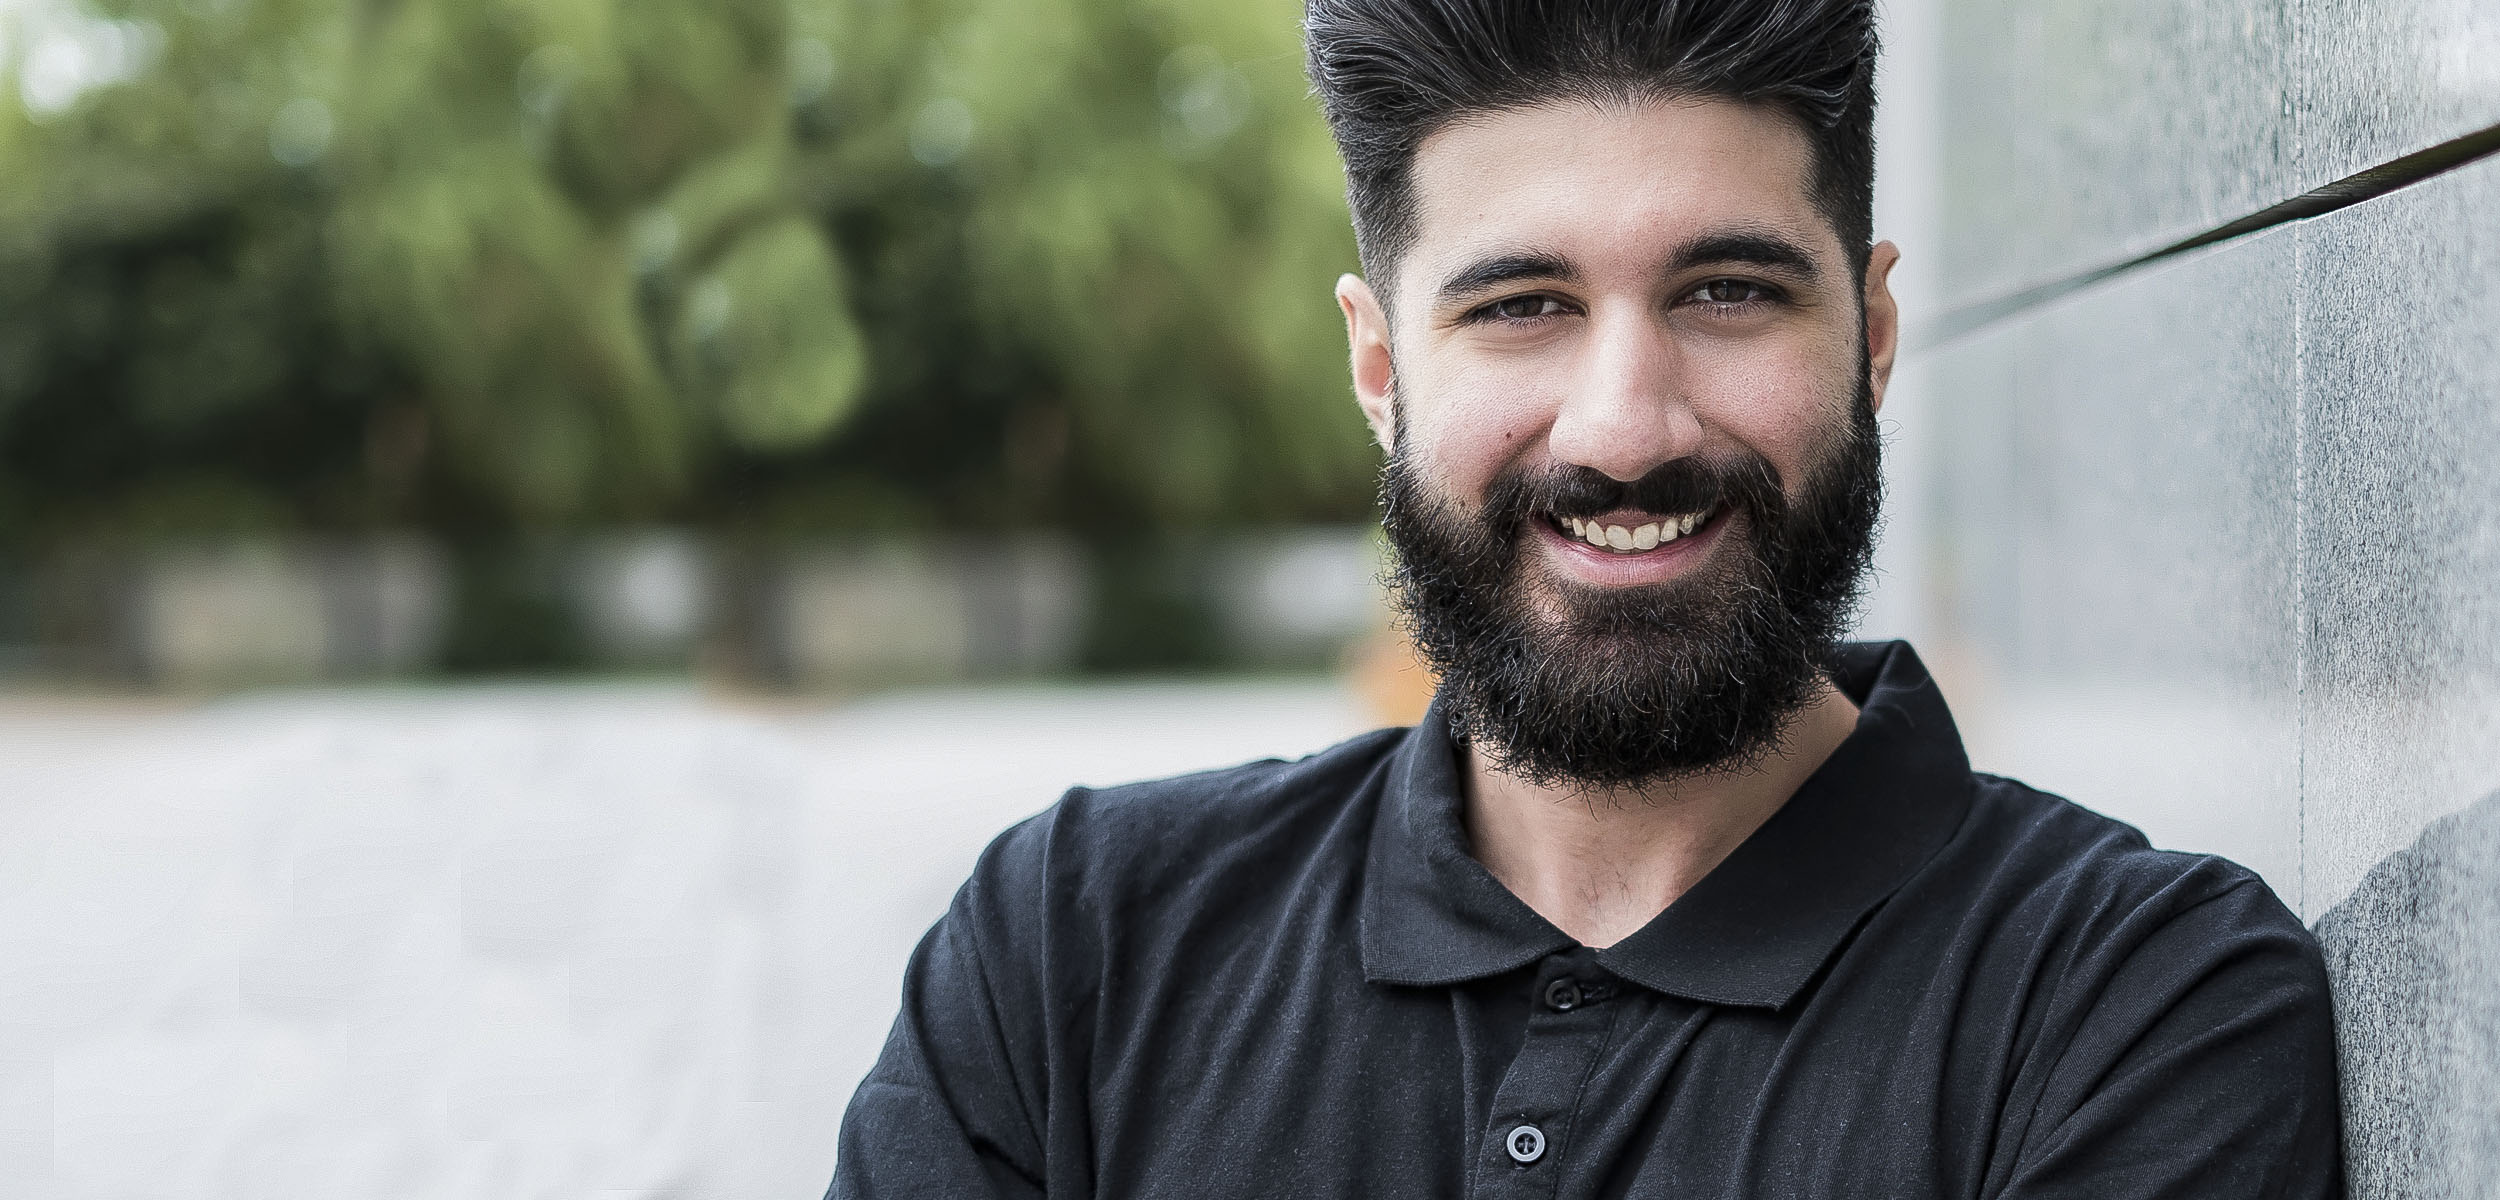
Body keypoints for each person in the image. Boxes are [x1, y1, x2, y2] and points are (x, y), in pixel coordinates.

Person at [830, 1, 2344, 1195]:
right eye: (1521, 308)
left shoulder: (2133, 1012)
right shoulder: (1075, 950)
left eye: (1727, 292)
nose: (1626, 428)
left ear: (1873, 337)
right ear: (1380, 370)